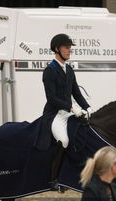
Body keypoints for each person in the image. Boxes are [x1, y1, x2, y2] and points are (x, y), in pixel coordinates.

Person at [35, 33, 92, 190]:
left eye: (70, 48)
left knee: (80, 136)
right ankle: (53, 179)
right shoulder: (50, 71)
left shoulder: (69, 69)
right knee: (64, 141)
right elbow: (51, 98)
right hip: (55, 115)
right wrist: (72, 107)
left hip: (68, 113)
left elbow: (76, 93)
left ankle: (70, 175)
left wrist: (87, 107)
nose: (69, 50)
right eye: (66, 48)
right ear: (57, 49)